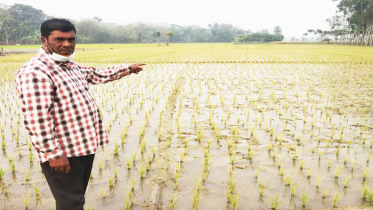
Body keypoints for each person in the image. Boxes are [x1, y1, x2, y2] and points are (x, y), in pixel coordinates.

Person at [15, 18, 145, 210]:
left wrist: (128, 69)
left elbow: (96, 74)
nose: (67, 44)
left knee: (75, 198)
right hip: (63, 152)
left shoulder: (69, 66)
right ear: (44, 41)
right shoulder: (35, 73)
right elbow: (37, 120)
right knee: (71, 203)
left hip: (82, 146)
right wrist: (53, 154)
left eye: (71, 39)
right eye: (59, 39)